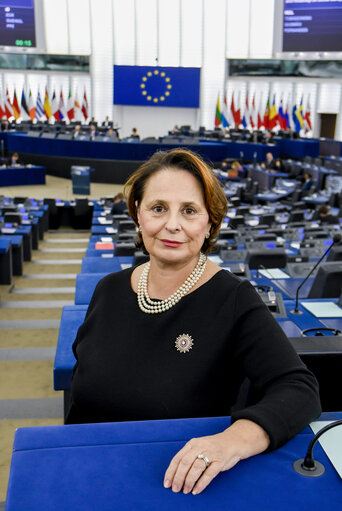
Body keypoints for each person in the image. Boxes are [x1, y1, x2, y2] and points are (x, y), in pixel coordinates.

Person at [66, 148, 320, 495]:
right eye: (159, 208)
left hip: (179, 486)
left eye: (189, 211)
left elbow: (299, 390)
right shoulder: (108, 289)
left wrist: (232, 441)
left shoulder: (234, 299)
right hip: (88, 476)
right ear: (138, 212)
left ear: (210, 221)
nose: (172, 224)